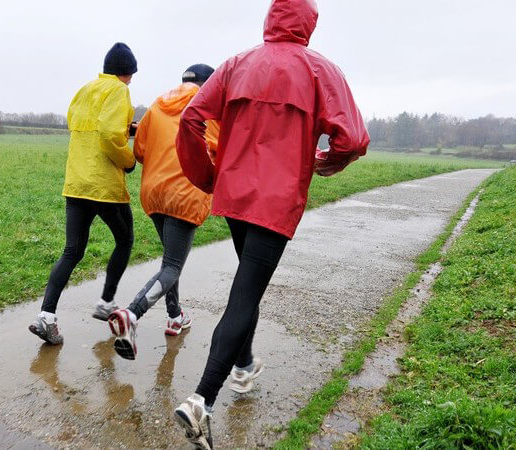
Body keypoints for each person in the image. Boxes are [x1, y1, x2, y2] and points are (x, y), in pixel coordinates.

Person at [171, 1, 370, 448]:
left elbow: (191, 118)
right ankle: (202, 399)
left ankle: (243, 366)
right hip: (275, 202)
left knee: (249, 283)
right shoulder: (321, 70)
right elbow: (353, 137)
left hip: (236, 192)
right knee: (245, 293)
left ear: (270, 20)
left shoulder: (237, 63)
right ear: (308, 25)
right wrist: (328, 161)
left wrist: (208, 175)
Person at [108, 64, 220, 360]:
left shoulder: (159, 104)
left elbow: (141, 150)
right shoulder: (208, 109)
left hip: (154, 192)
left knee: (171, 260)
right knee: (172, 266)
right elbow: (220, 150)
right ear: (209, 84)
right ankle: (131, 315)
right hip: (185, 192)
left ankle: (175, 316)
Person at [29, 42, 139, 345]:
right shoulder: (118, 90)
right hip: (103, 185)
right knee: (126, 239)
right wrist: (129, 161)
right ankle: (106, 303)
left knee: (73, 250)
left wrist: (126, 128)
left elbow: (87, 125)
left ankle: (46, 316)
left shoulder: (85, 89)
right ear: (126, 73)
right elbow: (106, 133)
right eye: (131, 76)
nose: (131, 81)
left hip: (76, 181)